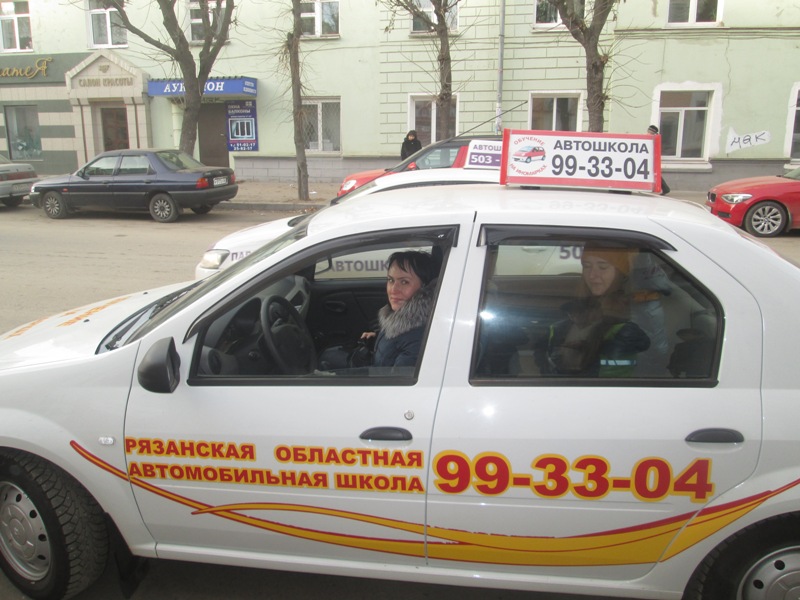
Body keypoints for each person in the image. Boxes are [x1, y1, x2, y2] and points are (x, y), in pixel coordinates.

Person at [541, 245, 650, 377]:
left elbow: (607, 378)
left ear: (620, 273)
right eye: (587, 266)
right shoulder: (577, 311)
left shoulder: (629, 324)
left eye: (602, 267)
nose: (592, 275)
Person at [363, 250, 438, 368]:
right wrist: (377, 339)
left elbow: (395, 378)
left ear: (425, 289)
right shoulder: (404, 319)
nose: (393, 289)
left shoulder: (419, 338)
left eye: (404, 282)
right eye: (391, 280)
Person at [647, 125, 671, 195]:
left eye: (649, 131)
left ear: (652, 132)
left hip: (652, 159)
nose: (648, 132)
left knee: (655, 174)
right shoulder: (651, 138)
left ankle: (665, 188)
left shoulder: (654, 138)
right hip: (650, 159)